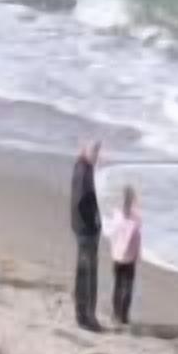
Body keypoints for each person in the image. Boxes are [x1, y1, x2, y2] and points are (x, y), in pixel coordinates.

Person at [69, 140, 105, 330]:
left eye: (98, 151)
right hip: (85, 230)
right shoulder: (84, 171)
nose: (97, 155)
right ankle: (87, 317)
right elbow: (82, 202)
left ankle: (82, 314)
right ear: (84, 150)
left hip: (81, 227)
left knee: (83, 273)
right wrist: (95, 222)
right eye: (94, 151)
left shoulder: (81, 166)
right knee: (88, 274)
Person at [107, 182, 144, 329]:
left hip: (117, 256)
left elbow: (111, 234)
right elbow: (137, 239)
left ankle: (116, 314)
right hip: (129, 258)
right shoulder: (136, 219)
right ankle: (124, 316)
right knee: (127, 286)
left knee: (117, 285)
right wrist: (137, 255)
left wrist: (114, 249)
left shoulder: (117, 215)